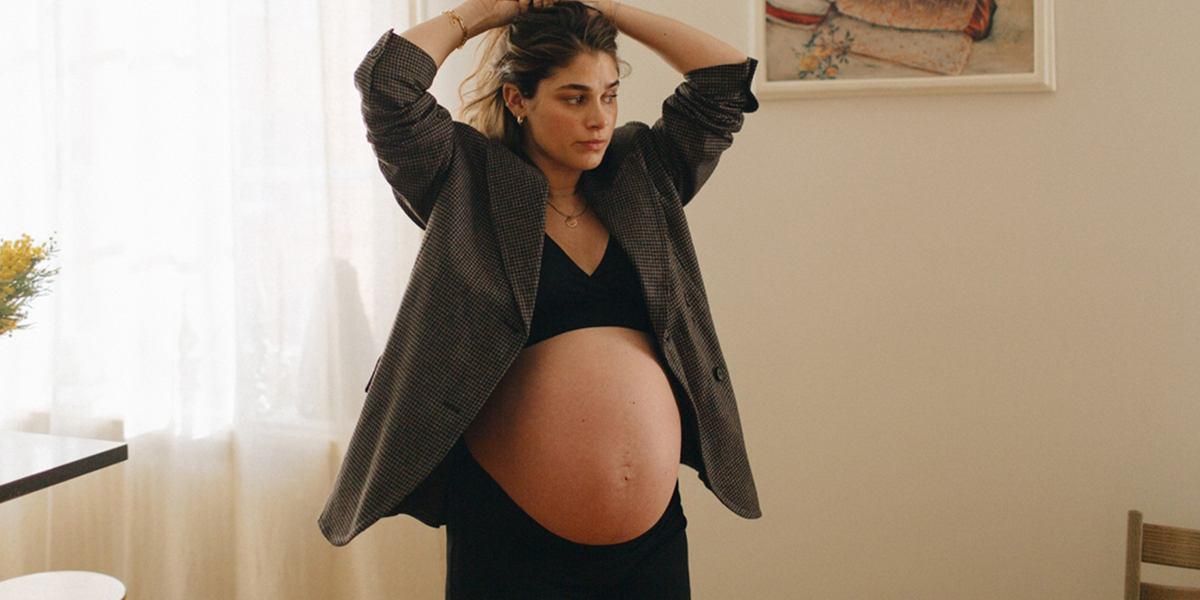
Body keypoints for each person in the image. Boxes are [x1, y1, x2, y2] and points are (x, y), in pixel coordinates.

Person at [320, 0, 761, 596]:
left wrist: (604, 9)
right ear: (517, 99)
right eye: (574, 98)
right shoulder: (464, 180)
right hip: (509, 540)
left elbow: (725, 77)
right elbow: (387, 84)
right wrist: (492, 10)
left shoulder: (641, 174)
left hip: (651, 547)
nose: (598, 119)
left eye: (609, 95)